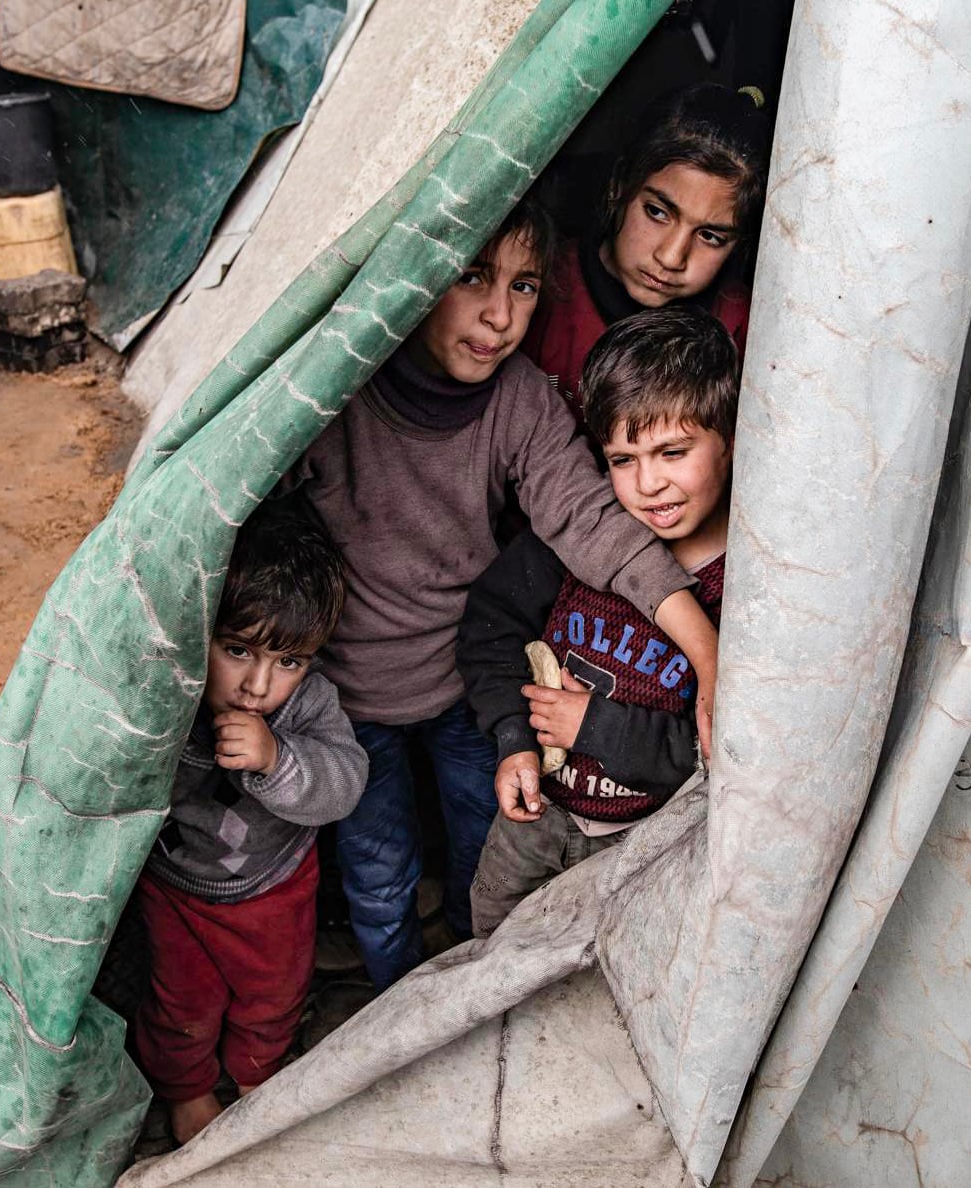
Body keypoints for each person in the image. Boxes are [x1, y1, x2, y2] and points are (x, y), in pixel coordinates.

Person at [281, 201, 720, 989]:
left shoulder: (520, 402)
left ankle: (463, 997)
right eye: (472, 278)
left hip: (469, 692)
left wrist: (707, 652)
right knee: (379, 877)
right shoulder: (328, 397)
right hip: (346, 699)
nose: (500, 314)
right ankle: (394, 1009)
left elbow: (589, 522)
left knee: (485, 852)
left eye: (523, 287)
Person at [459, 305, 738, 936]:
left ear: (733, 439)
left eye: (673, 451)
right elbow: (489, 630)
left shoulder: (747, 589)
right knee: (491, 946)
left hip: (639, 844)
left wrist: (597, 727)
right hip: (531, 820)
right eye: (622, 459)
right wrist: (513, 743)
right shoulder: (580, 541)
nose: (649, 485)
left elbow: (712, 756)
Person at [132, 508, 367, 1146]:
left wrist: (276, 758)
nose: (258, 686)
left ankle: (258, 1079)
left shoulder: (309, 704)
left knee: (274, 994)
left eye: (288, 662)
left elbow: (346, 781)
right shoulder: (166, 695)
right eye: (237, 651)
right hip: (175, 888)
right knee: (182, 999)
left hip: (275, 888)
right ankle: (187, 1089)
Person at [522, 82, 770, 421]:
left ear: (739, 244)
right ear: (619, 185)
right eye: (657, 212)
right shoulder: (541, 284)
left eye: (710, 236)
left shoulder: (744, 329)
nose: (671, 258)